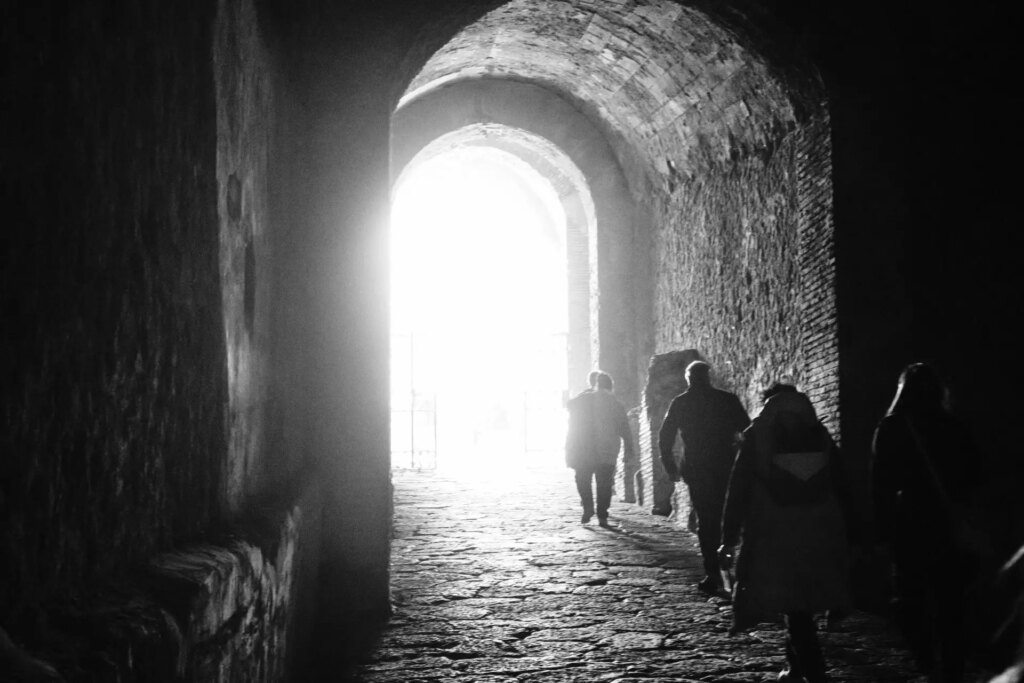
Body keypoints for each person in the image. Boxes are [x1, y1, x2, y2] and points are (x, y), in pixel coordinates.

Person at [718, 384, 856, 683]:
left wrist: (728, 539)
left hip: (773, 533)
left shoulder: (756, 438)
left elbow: (737, 492)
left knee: (795, 608)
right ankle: (795, 668)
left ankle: (816, 673)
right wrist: (854, 533)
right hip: (820, 531)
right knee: (802, 604)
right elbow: (843, 486)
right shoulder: (820, 436)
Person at [872, 363, 987, 683]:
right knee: (951, 601)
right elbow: (976, 474)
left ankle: (925, 660)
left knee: (908, 599)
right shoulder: (954, 426)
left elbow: (881, 484)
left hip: (909, 522)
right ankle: (952, 668)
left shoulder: (893, 427)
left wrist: (879, 534)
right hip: (947, 523)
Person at [658, 360, 750, 594]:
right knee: (729, 517)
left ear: (689, 379)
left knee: (707, 522)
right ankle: (734, 572)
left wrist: (670, 467)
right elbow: (747, 430)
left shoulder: (681, 402)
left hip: (697, 469)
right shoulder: (726, 400)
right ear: (708, 376)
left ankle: (713, 573)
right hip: (725, 466)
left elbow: (665, 437)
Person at [565, 370, 634, 527]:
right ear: (611, 386)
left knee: (583, 479)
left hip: (584, 449)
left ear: (595, 385)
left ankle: (588, 507)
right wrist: (629, 448)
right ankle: (602, 514)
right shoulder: (615, 403)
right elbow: (624, 428)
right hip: (607, 450)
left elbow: (569, 405)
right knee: (604, 483)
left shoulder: (584, 398)